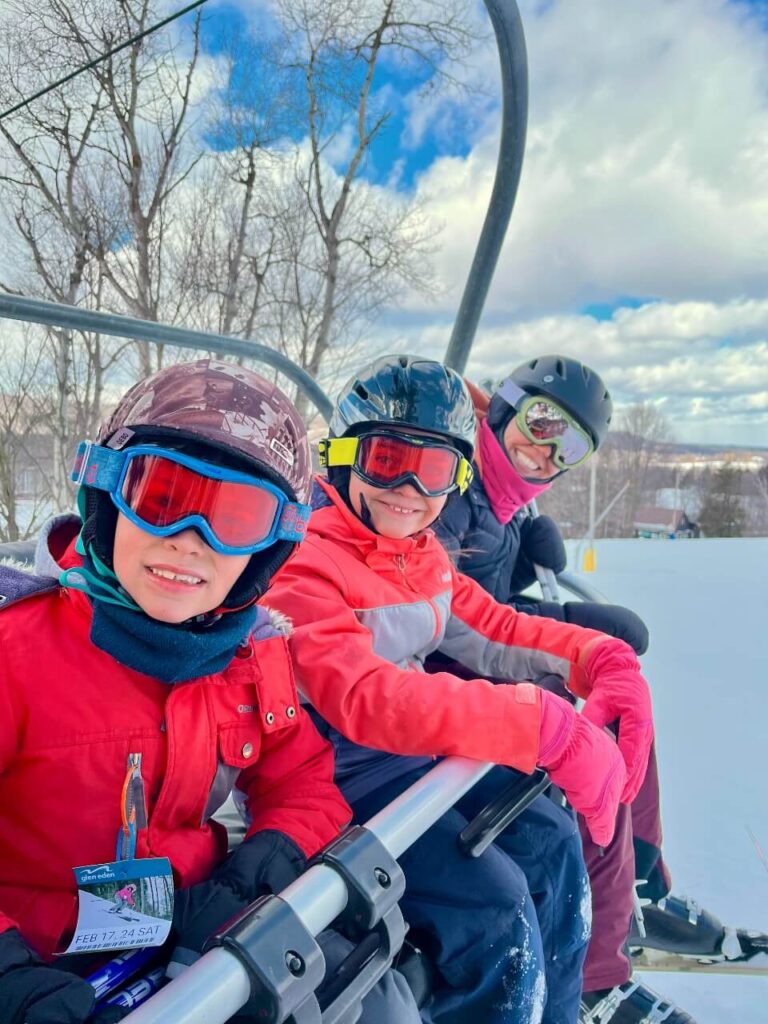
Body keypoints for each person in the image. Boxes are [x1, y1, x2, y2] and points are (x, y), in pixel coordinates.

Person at [0, 358, 418, 1024]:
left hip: (192, 923)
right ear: (109, 496)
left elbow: (302, 778)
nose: (191, 543)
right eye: (163, 498)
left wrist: (260, 862)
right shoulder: (16, 650)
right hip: (48, 950)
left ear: (269, 549)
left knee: (382, 1002)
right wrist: (9, 975)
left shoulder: (251, 651)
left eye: (237, 518)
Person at [268, 353, 655, 1024]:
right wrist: (540, 723)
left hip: (411, 765)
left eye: (438, 469)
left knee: (555, 842)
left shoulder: (417, 556)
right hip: (338, 778)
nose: (412, 488)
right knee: (494, 911)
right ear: (342, 455)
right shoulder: (304, 560)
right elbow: (362, 696)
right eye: (389, 459)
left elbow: (497, 629)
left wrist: (598, 657)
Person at [433, 354, 763, 1024]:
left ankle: (639, 880)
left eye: (570, 444)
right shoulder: (450, 482)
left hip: (481, 658)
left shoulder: (505, 501)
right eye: (540, 420)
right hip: (438, 674)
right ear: (501, 408)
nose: (545, 448)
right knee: (582, 737)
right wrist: (555, 624)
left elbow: (485, 596)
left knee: (620, 704)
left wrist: (527, 575)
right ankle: (593, 979)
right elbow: (433, 607)